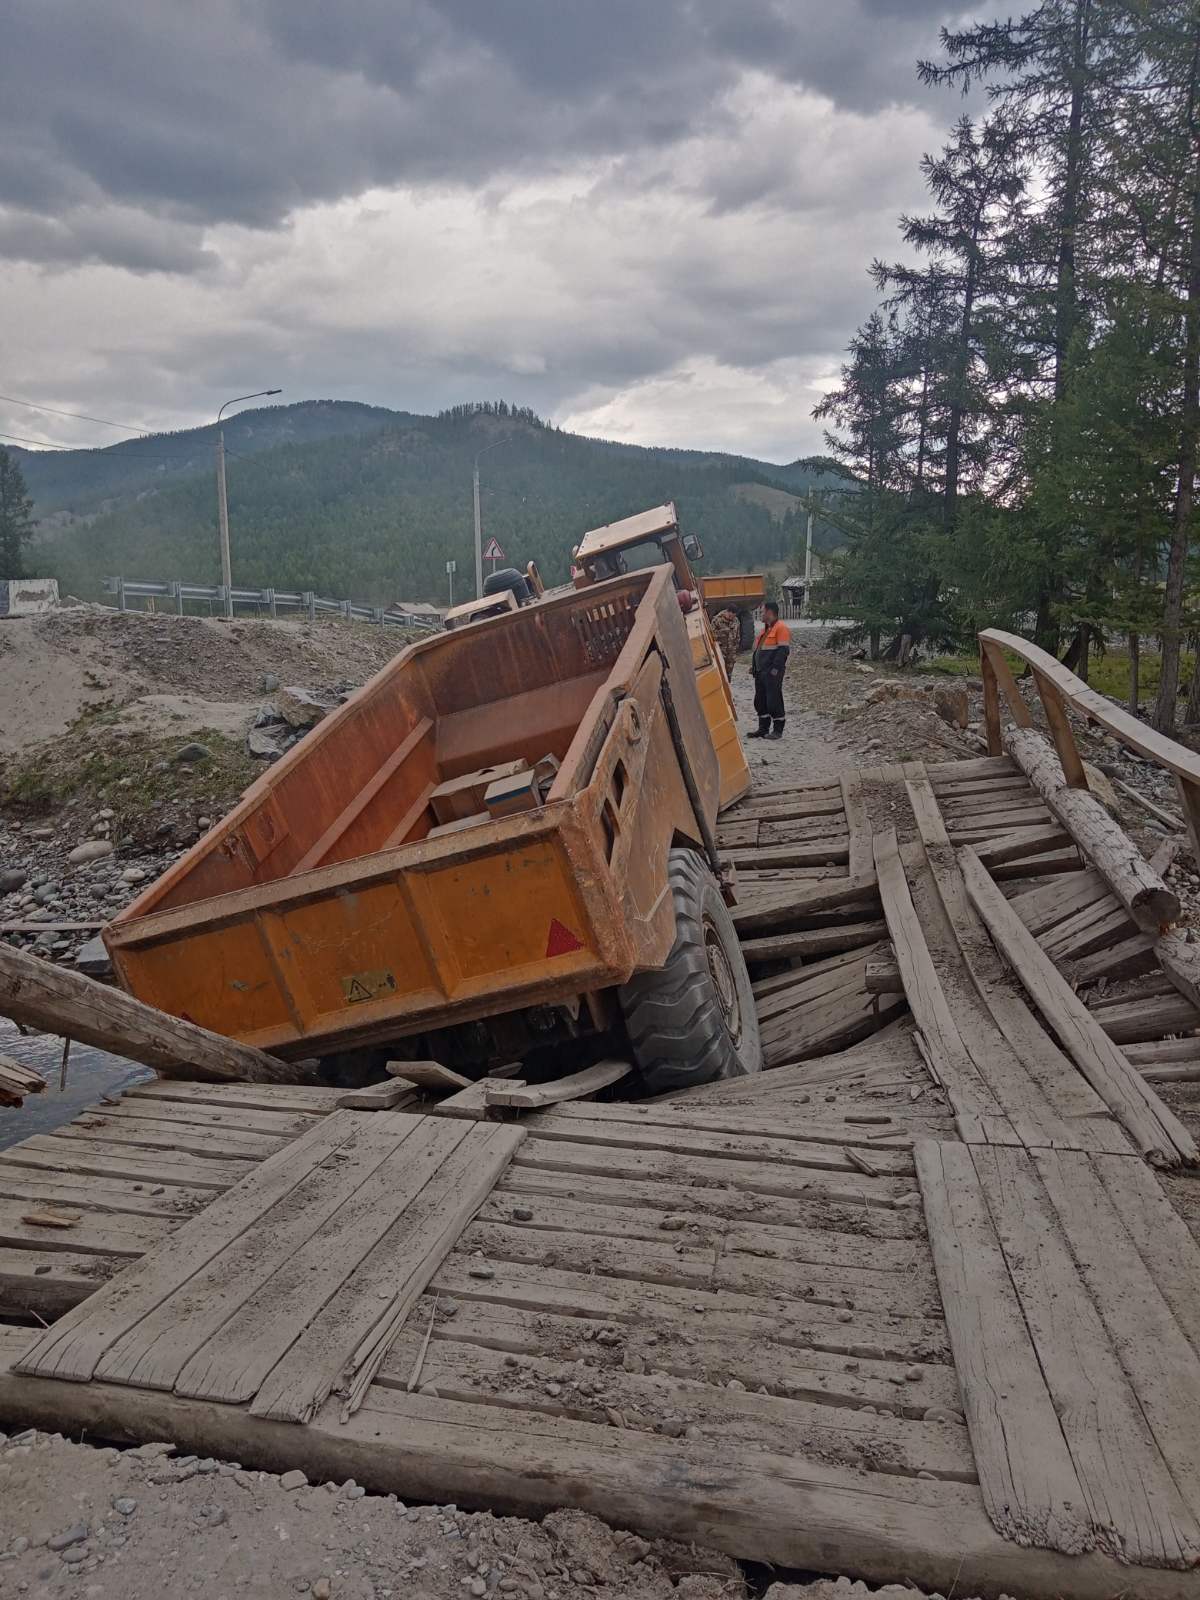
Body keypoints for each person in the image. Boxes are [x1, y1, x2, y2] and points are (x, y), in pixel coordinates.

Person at [749, 602, 790, 739]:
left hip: (771, 672)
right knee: (760, 701)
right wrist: (754, 667)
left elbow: (783, 652)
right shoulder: (765, 630)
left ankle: (778, 730)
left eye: (762, 612)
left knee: (773, 700)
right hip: (760, 672)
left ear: (769, 612)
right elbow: (759, 651)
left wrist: (775, 670)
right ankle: (763, 728)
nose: (760, 614)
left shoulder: (781, 628)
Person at [710, 607, 739, 676]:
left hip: (731, 652)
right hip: (721, 651)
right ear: (727, 612)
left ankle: (728, 683)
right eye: (730, 616)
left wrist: (736, 647)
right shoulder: (716, 620)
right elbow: (712, 635)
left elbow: (737, 635)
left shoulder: (736, 620)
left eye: (734, 616)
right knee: (720, 672)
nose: (732, 618)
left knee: (729, 673)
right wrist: (723, 633)